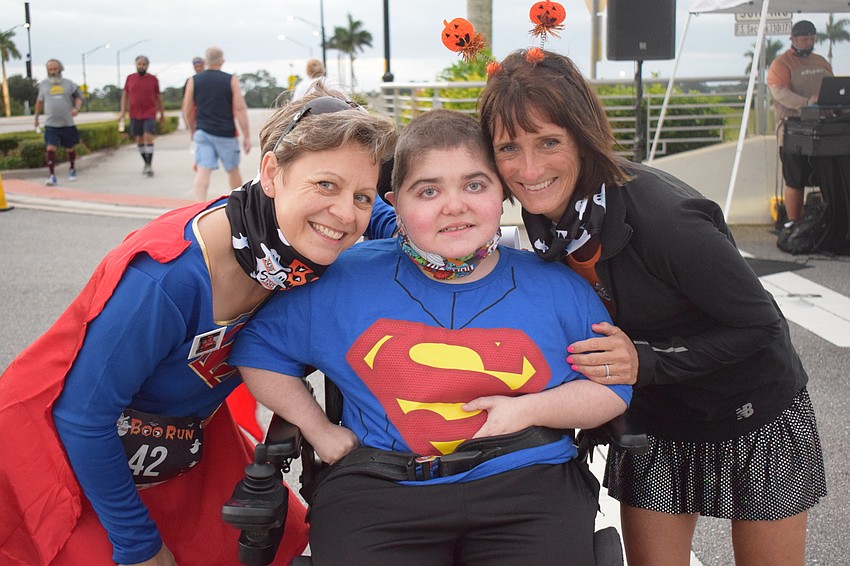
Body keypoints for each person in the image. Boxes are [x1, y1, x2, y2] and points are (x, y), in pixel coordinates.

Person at [0, 88, 397, 566]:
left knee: (280, 542)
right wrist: (137, 544)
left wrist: (437, 224)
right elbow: (83, 418)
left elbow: (381, 216)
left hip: (179, 448)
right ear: (271, 173)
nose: (344, 213)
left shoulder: (286, 240)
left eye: (360, 195)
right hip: (63, 456)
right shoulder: (167, 278)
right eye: (325, 186)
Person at [230, 108, 631, 565]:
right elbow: (259, 349)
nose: (454, 205)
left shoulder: (558, 287)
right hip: (381, 488)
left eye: (475, 185)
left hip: (527, 482)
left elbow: (612, 388)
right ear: (394, 204)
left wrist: (529, 410)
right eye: (428, 191)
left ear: (502, 193)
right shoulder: (340, 282)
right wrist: (319, 430)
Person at [477, 48, 826, 566]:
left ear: (583, 134)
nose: (529, 169)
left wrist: (648, 360)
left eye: (549, 141)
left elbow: (763, 326)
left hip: (752, 409)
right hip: (657, 415)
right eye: (509, 148)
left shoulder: (666, 219)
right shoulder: (550, 211)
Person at [767, 20, 833, 227]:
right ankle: (793, 223)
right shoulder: (782, 64)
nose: (809, 42)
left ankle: (828, 221)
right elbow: (779, 92)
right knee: (795, 179)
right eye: (805, 39)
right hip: (793, 130)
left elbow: (832, 87)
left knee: (828, 178)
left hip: (824, 130)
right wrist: (806, 103)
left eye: (812, 39)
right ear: (793, 39)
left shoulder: (821, 61)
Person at [182, 46, 251, 202]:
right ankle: (237, 204)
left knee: (203, 170)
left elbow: (187, 109)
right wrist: (246, 136)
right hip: (226, 133)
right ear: (222, 61)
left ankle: (199, 205)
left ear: (206, 61)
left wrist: (193, 129)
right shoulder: (231, 80)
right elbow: (240, 108)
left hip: (203, 132)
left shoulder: (194, 80)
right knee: (233, 170)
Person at [33, 59, 83, 186]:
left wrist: (76, 109)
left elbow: (78, 97)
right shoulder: (43, 85)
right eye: (50, 70)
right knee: (50, 147)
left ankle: (72, 168)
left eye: (55, 69)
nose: (53, 72)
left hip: (67, 123)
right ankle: (52, 175)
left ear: (60, 69)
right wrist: (36, 118)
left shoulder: (68, 84)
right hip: (51, 123)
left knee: (70, 148)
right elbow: (39, 102)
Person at [119, 55, 166, 177]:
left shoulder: (153, 79)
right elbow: (125, 95)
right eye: (139, 64)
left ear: (147, 65)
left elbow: (158, 97)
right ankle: (145, 163)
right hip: (135, 114)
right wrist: (122, 112)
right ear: (136, 65)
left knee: (148, 137)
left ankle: (149, 164)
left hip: (149, 113)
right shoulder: (130, 78)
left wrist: (162, 113)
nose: (141, 66)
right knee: (139, 139)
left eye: (143, 64)